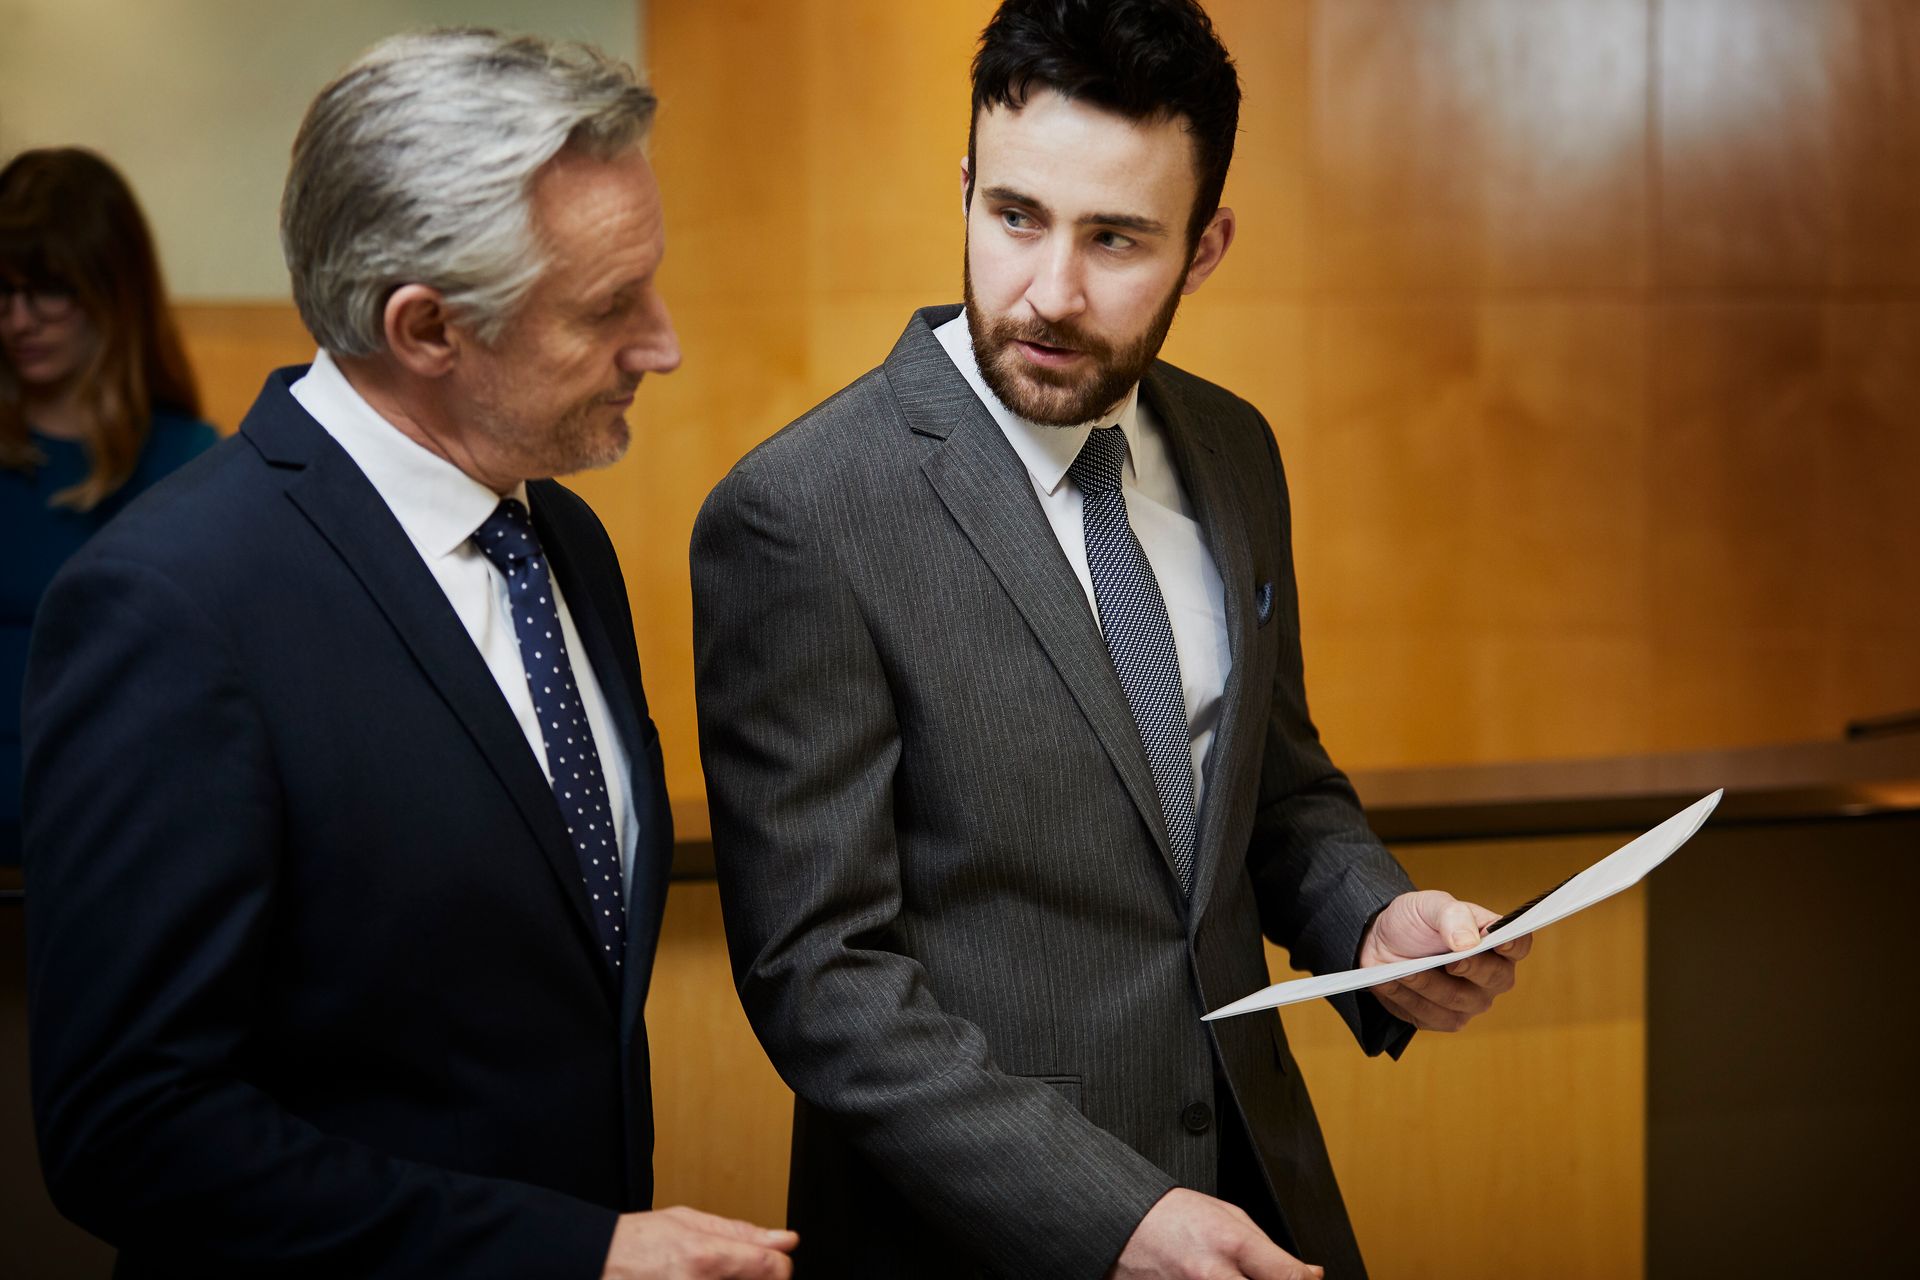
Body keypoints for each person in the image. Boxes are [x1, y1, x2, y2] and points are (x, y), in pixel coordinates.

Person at [690, 3, 1531, 1277]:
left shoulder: (1236, 450)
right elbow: (824, 976)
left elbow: (1277, 786)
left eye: (1119, 238)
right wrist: (1109, 1210)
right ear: (966, 186)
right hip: (974, 1237)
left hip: (1258, 1185)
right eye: (1015, 215)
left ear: (1205, 247)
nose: (1050, 291)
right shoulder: (803, 512)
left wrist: (1373, 920)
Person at [22, 30, 795, 1280]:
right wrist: (574, 1252)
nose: (663, 344)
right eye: (610, 306)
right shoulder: (170, 601)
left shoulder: (561, 539)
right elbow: (131, 1128)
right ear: (428, 327)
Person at [0, 148, 217, 866]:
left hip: (118, 852)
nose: (18, 320)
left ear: (111, 290)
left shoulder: (189, 464)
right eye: (2, 292)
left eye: (48, 291)